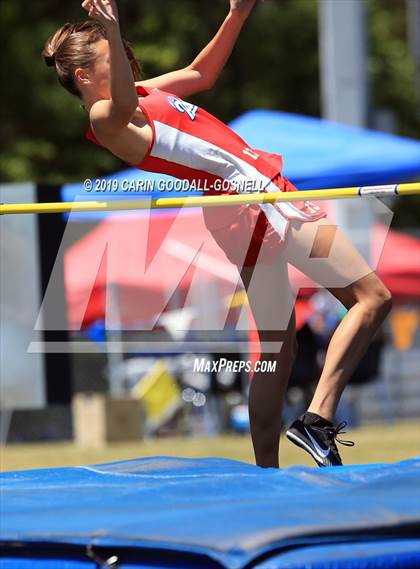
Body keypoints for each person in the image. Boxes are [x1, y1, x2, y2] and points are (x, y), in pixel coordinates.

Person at [43, 0, 392, 468]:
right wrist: (111, 24)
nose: (126, 58)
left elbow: (199, 73)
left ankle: (265, 472)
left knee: (277, 349)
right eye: (113, 55)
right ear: (85, 76)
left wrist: (237, 16)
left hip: (240, 212)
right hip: (265, 201)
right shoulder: (105, 117)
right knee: (372, 296)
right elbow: (123, 104)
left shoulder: (143, 92)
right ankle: (318, 418)